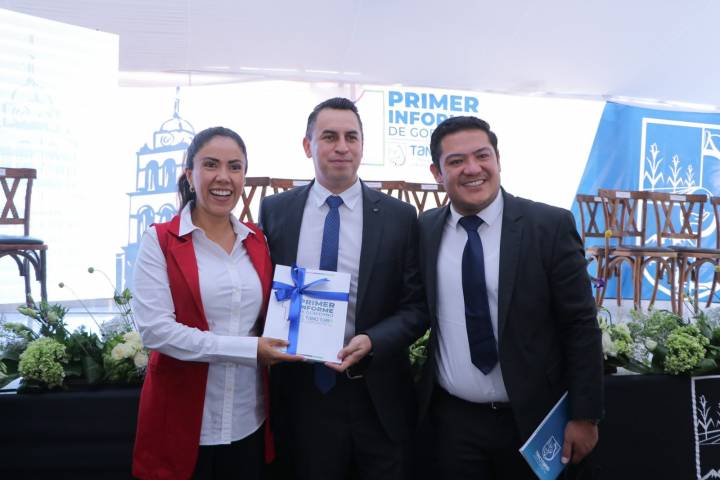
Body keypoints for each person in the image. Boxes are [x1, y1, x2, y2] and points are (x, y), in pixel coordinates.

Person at [417, 116, 603, 479]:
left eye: (482, 155)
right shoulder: (425, 229)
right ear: (437, 173)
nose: (473, 169)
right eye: (456, 161)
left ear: (498, 160)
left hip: (534, 423)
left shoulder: (548, 226)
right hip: (453, 424)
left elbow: (580, 325)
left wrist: (586, 415)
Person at [258, 97, 427, 480]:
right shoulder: (276, 210)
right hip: (301, 392)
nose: (342, 147)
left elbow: (416, 306)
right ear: (308, 146)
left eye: (351, 137)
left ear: (362, 146)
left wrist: (373, 340)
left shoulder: (400, 217)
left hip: (376, 393)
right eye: (329, 137)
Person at [131, 126, 301, 479]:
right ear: (189, 174)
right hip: (183, 425)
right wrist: (249, 349)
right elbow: (156, 331)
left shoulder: (258, 241)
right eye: (211, 164)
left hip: (249, 420)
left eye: (234, 167)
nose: (223, 177)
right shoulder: (159, 240)